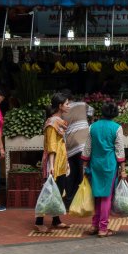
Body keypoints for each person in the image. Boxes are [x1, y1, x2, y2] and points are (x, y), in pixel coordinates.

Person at [82, 102, 126, 238]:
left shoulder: (92, 127)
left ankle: (94, 225)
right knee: (106, 197)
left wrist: (84, 166)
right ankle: (103, 228)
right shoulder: (117, 128)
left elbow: (87, 148)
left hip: (95, 164)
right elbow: (119, 150)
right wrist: (123, 169)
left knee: (96, 195)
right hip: (109, 165)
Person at [35, 93, 72, 233]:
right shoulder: (52, 123)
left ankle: (56, 220)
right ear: (60, 106)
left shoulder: (59, 122)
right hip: (53, 162)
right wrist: (51, 166)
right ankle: (38, 222)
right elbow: (51, 146)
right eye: (67, 103)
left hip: (61, 161)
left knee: (56, 191)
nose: (69, 106)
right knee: (47, 192)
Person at [63, 94, 89, 210]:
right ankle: (80, 203)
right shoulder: (83, 104)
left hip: (69, 146)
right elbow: (92, 112)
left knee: (71, 174)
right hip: (83, 144)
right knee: (81, 174)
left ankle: (69, 203)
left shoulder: (61, 111)